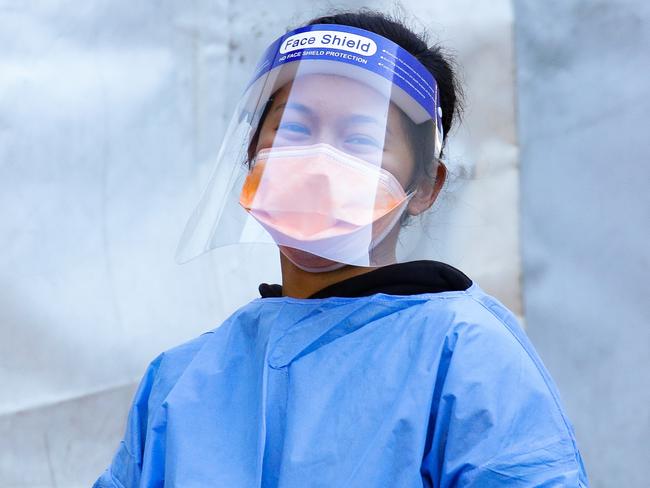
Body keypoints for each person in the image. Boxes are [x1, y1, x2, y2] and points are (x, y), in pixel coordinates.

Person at [94, 10, 589, 487]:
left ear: (424, 186)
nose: (318, 160)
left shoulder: (462, 354)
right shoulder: (179, 382)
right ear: (252, 155)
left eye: (361, 137)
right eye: (294, 129)